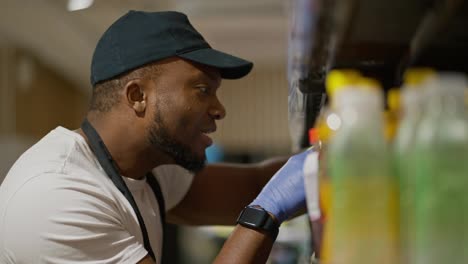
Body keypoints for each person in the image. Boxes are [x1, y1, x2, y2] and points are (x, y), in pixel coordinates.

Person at [0, 10, 309, 264]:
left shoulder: (146, 167)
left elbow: (256, 186)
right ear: (137, 96)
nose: (219, 110)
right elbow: (265, 199)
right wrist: (264, 214)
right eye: (203, 91)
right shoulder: (57, 197)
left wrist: (329, 159)